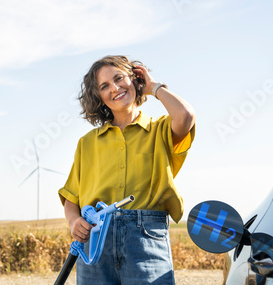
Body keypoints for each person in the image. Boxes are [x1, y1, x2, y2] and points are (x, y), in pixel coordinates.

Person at [58, 55, 196, 284]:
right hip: (95, 242)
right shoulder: (87, 143)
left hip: (146, 238)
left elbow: (186, 116)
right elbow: (72, 197)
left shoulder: (160, 129)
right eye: (104, 86)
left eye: (119, 78)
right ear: (99, 98)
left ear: (135, 79)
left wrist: (153, 87)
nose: (114, 88)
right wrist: (74, 222)